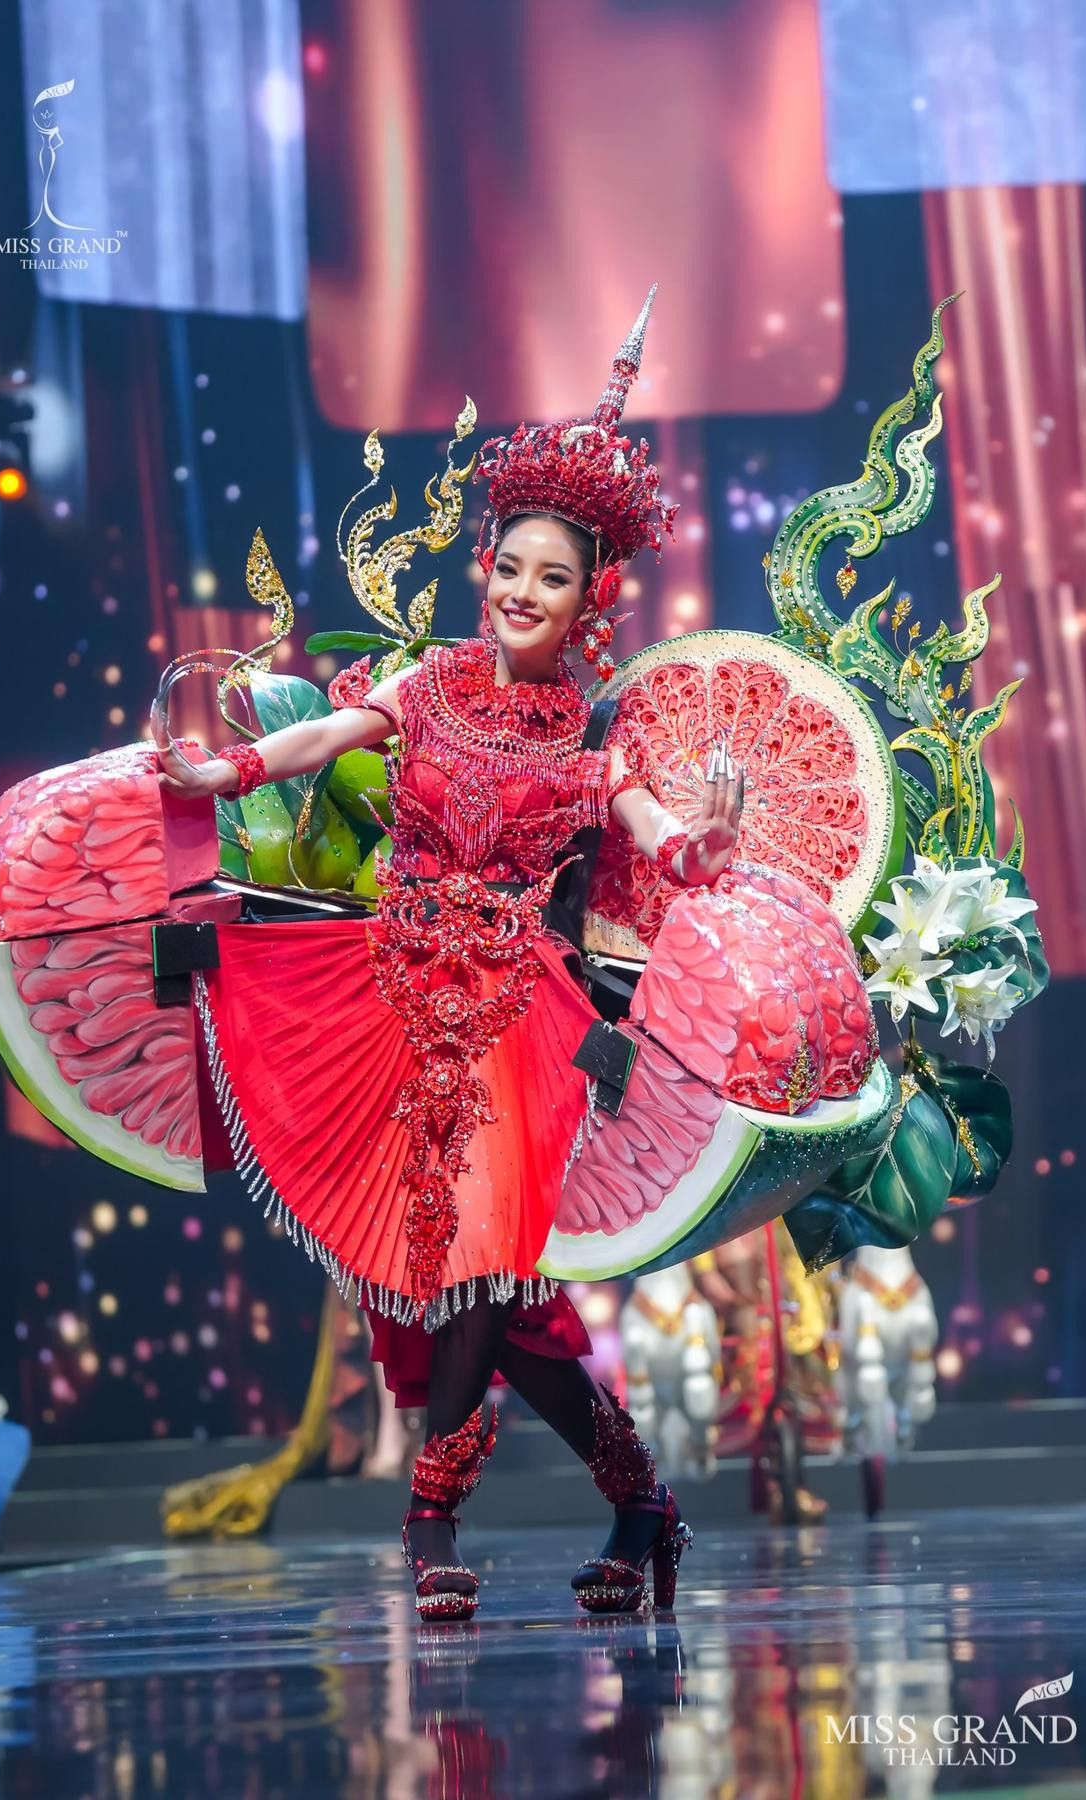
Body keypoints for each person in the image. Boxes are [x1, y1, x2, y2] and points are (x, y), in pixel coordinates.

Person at [156, 291, 846, 1623]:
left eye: (555, 579)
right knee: (497, 1306)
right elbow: (321, 738)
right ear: (487, 568)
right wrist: (226, 764)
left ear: (592, 599)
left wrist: (705, 842)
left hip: (522, 1025)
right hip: (390, 1009)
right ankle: (642, 1506)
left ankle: (429, 1521)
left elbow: (663, 842)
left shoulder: (594, 745)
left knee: (484, 1268)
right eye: (511, 568)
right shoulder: (424, 685)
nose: (525, 594)